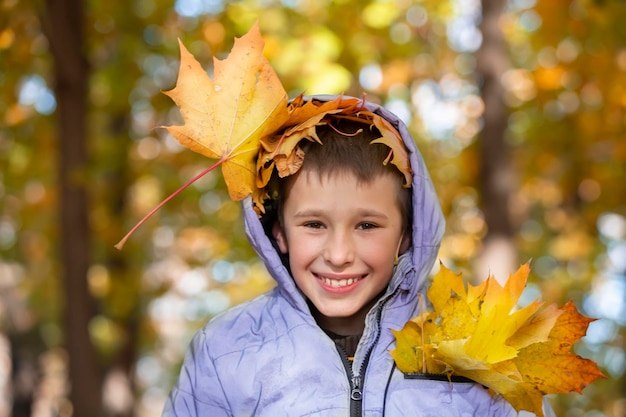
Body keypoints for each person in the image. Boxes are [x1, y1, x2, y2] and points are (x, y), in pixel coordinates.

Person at [162, 96, 552, 416]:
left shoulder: (475, 341)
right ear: (278, 232)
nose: (339, 254)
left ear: (406, 234)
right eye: (314, 225)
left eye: (367, 226)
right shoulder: (226, 350)